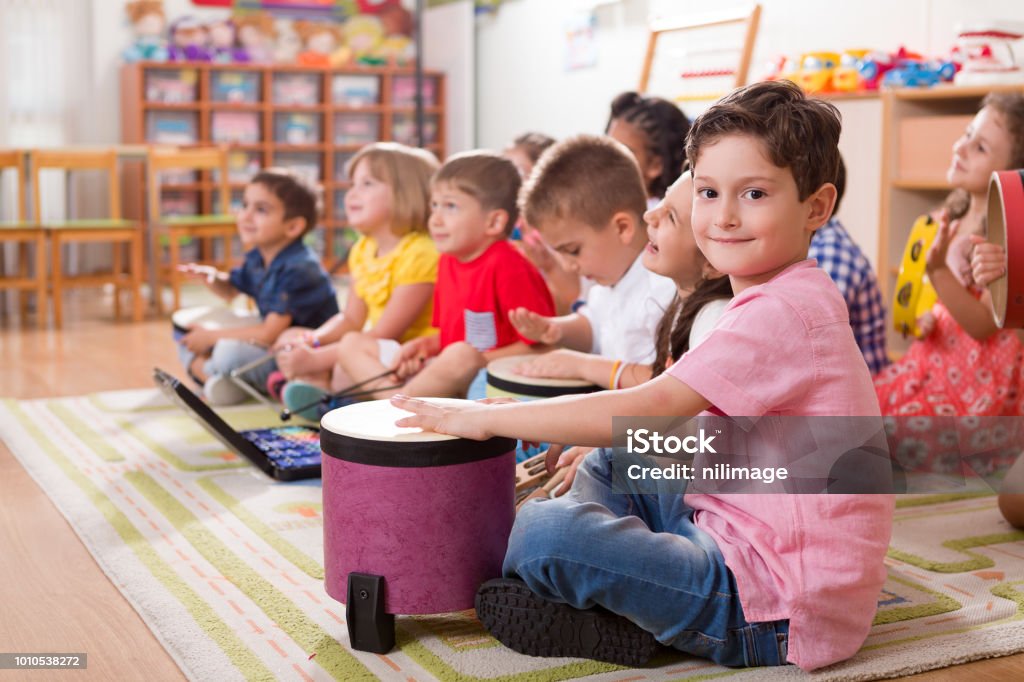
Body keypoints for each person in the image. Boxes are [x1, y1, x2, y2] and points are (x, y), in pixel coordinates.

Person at [392, 80, 893, 673]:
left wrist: (484, 416)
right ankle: (615, 594)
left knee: (544, 533)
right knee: (610, 460)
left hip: (775, 607)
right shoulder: (774, 296)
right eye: (708, 192)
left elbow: (653, 403)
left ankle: (615, 603)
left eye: (754, 193)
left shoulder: (784, 311)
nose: (725, 216)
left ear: (816, 206)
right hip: (730, 531)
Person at [521, 170, 733, 496]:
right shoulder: (683, 306)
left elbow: (691, 434)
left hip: (690, 486)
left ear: (712, 263)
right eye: (659, 204)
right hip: (659, 453)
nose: (649, 214)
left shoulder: (711, 316)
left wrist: (611, 443)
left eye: (671, 217)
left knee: (547, 517)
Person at [326, 151, 555, 404]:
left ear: (495, 221)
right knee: (351, 344)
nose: (435, 219)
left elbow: (543, 345)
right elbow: (450, 336)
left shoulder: (510, 266)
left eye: (450, 206)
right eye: (434, 206)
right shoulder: (447, 260)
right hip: (444, 370)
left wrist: (474, 361)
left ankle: (395, 405)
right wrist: (425, 346)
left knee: (461, 354)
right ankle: (395, 400)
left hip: (485, 377)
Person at [874, 92, 1024, 474]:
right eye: (966, 133)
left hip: (978, 385)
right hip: (929, 365)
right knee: (860, 411)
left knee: (892, 436)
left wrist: (939, 269)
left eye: (981, 147)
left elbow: (981, 325)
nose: (961, 147)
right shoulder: (944, 220)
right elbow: (932, 303)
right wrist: (925, 319)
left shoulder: (1005, 241)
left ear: (1011, 173)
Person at [271, 143, 440, 420]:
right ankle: (320, 394)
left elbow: (387, 333)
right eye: (353, 184)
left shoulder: (421, 252)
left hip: (411, 358)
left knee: (342, 366)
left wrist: (316, 358)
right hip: (377, 348)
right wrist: (313, 339)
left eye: (367, 184)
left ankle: (326, 397)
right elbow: (350, 318)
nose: (352, 193)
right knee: (291, 337)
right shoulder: (363, 249)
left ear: (404, 194)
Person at [508, 135, 676, 371]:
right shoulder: (607, 283)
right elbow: (594, 327)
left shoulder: (663, 288)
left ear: (622, 228)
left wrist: (582, 366)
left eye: (573, 251)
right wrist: (556, 329)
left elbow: (667, 381)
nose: (568, 266)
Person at [176, 169, 339, 405]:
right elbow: (231, 291)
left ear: (293, 226)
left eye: (260, 209)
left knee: (227, 353)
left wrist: (211, 337)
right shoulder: (257, 257)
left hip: (301, 356)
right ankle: (222, 380)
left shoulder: (299, 268)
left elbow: (268, 333)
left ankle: (211, 375)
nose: (246, 216)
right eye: (245, 205)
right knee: (184, 332)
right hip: (269, 346)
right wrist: (212, 278)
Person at [808, 156, 888, 374]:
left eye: (759, 194)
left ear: (816, 204)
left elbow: (811, 339)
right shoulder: (816, 244)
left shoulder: (831, 253)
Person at [606, 91, 691, 204]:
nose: (606, 160)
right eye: (608, 147)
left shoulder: (655, 217)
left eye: (622, 152)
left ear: (655, 165)